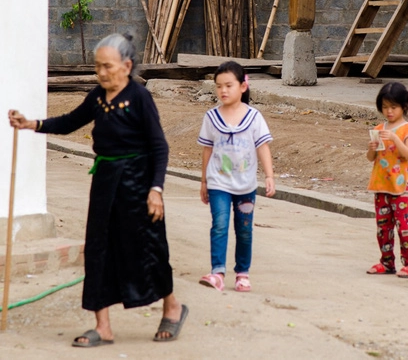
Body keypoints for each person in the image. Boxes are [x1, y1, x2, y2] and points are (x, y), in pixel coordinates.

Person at [8, 33, 188, 347]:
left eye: (107, 66)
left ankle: (172, 306)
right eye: (98, 67)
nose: (101, 72)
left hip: (138, 183)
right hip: (105, 181)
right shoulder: (98, 96)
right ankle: (102, 326)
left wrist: (155, 190)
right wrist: (30, 124)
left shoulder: (139, 97)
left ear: (127, 65)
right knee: (98, 249)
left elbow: (159, 147)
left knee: (148, 248)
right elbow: (68, 122)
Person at [198, 61, 275, 293]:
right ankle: (217, 272)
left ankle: (242, 273)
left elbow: (263, 147)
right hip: (218, 183)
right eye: (219, 86)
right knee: (219, 225)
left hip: (246, 186)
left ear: (243, 86)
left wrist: (269, 176)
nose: (223, 91)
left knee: (244, 229)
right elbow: (207, 150)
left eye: (229, 85)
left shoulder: (254, 117)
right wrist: (203, 181)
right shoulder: (211, 117)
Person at [365, 81, 408, 278]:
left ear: (403, 107)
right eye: (385, 107)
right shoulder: (380, 128)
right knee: (383, 227)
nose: (389, 112)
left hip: (400, 187)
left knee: (404, 226)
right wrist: (371, 148)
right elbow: (371, 158)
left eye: (393, 107)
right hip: (381, 184)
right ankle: (386, 262)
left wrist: (395, 138)